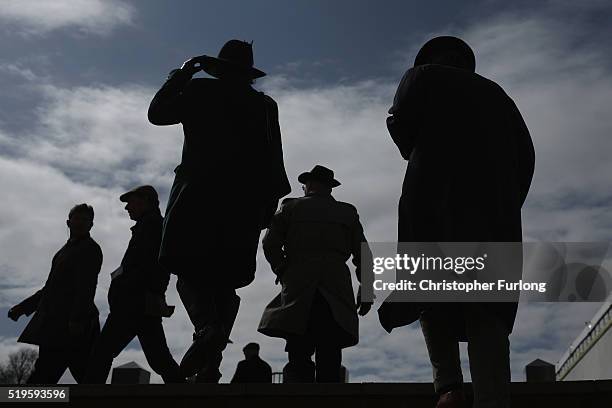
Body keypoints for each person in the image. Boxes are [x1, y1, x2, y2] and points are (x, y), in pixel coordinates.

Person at [381, 36, 535, 408]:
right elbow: (526, 155)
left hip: (432, 198)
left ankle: (448, 387)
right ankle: (492, 394)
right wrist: (507, 202)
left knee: (430, 292)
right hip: (493, 212)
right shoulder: (499, 95)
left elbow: (401, 123)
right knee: (487, 303)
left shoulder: (421, 76)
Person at [148, 39, 291, 382]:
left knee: (188, 271)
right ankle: (210, 365)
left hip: (198, 196)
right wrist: (266, 207)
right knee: (225, 282)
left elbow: (158, 113)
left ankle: (208, 329)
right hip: (244, 202)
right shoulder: (264, 105)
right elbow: (275, 162)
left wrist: (181, 74)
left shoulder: (199, 92)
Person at [258, 165, 373, 383]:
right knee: (330, 350)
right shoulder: (347, 212)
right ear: (329, 187)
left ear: (309, 184)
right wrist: (366, 291)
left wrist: (281, 268)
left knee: (298, 350)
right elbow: (363, 254)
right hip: (336, 284)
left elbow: (269, 243)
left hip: (298, 282)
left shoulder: (291, 208)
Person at [85, 185, 183, 383]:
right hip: (143, 302)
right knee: (159, 358)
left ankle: (88, 397)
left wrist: (124, 290)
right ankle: (188, 393)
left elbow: (148, 266)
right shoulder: (151, 225)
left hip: (134, 302)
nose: (127, 207)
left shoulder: (152, 226)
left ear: (145, 200)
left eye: (131, 202)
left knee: (102, 352)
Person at [7, 204, 103, 384]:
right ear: (68, 223)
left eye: (85, 219)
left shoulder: (90, 249)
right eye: (77, 218)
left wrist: (76, 320)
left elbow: (86, 288)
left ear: (91, 225)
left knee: (52, 379)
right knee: (73, 379)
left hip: (74, 327)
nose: (81, 223)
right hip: (57, 326)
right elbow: (50, 289)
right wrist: (23, 308)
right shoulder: (65, 251)